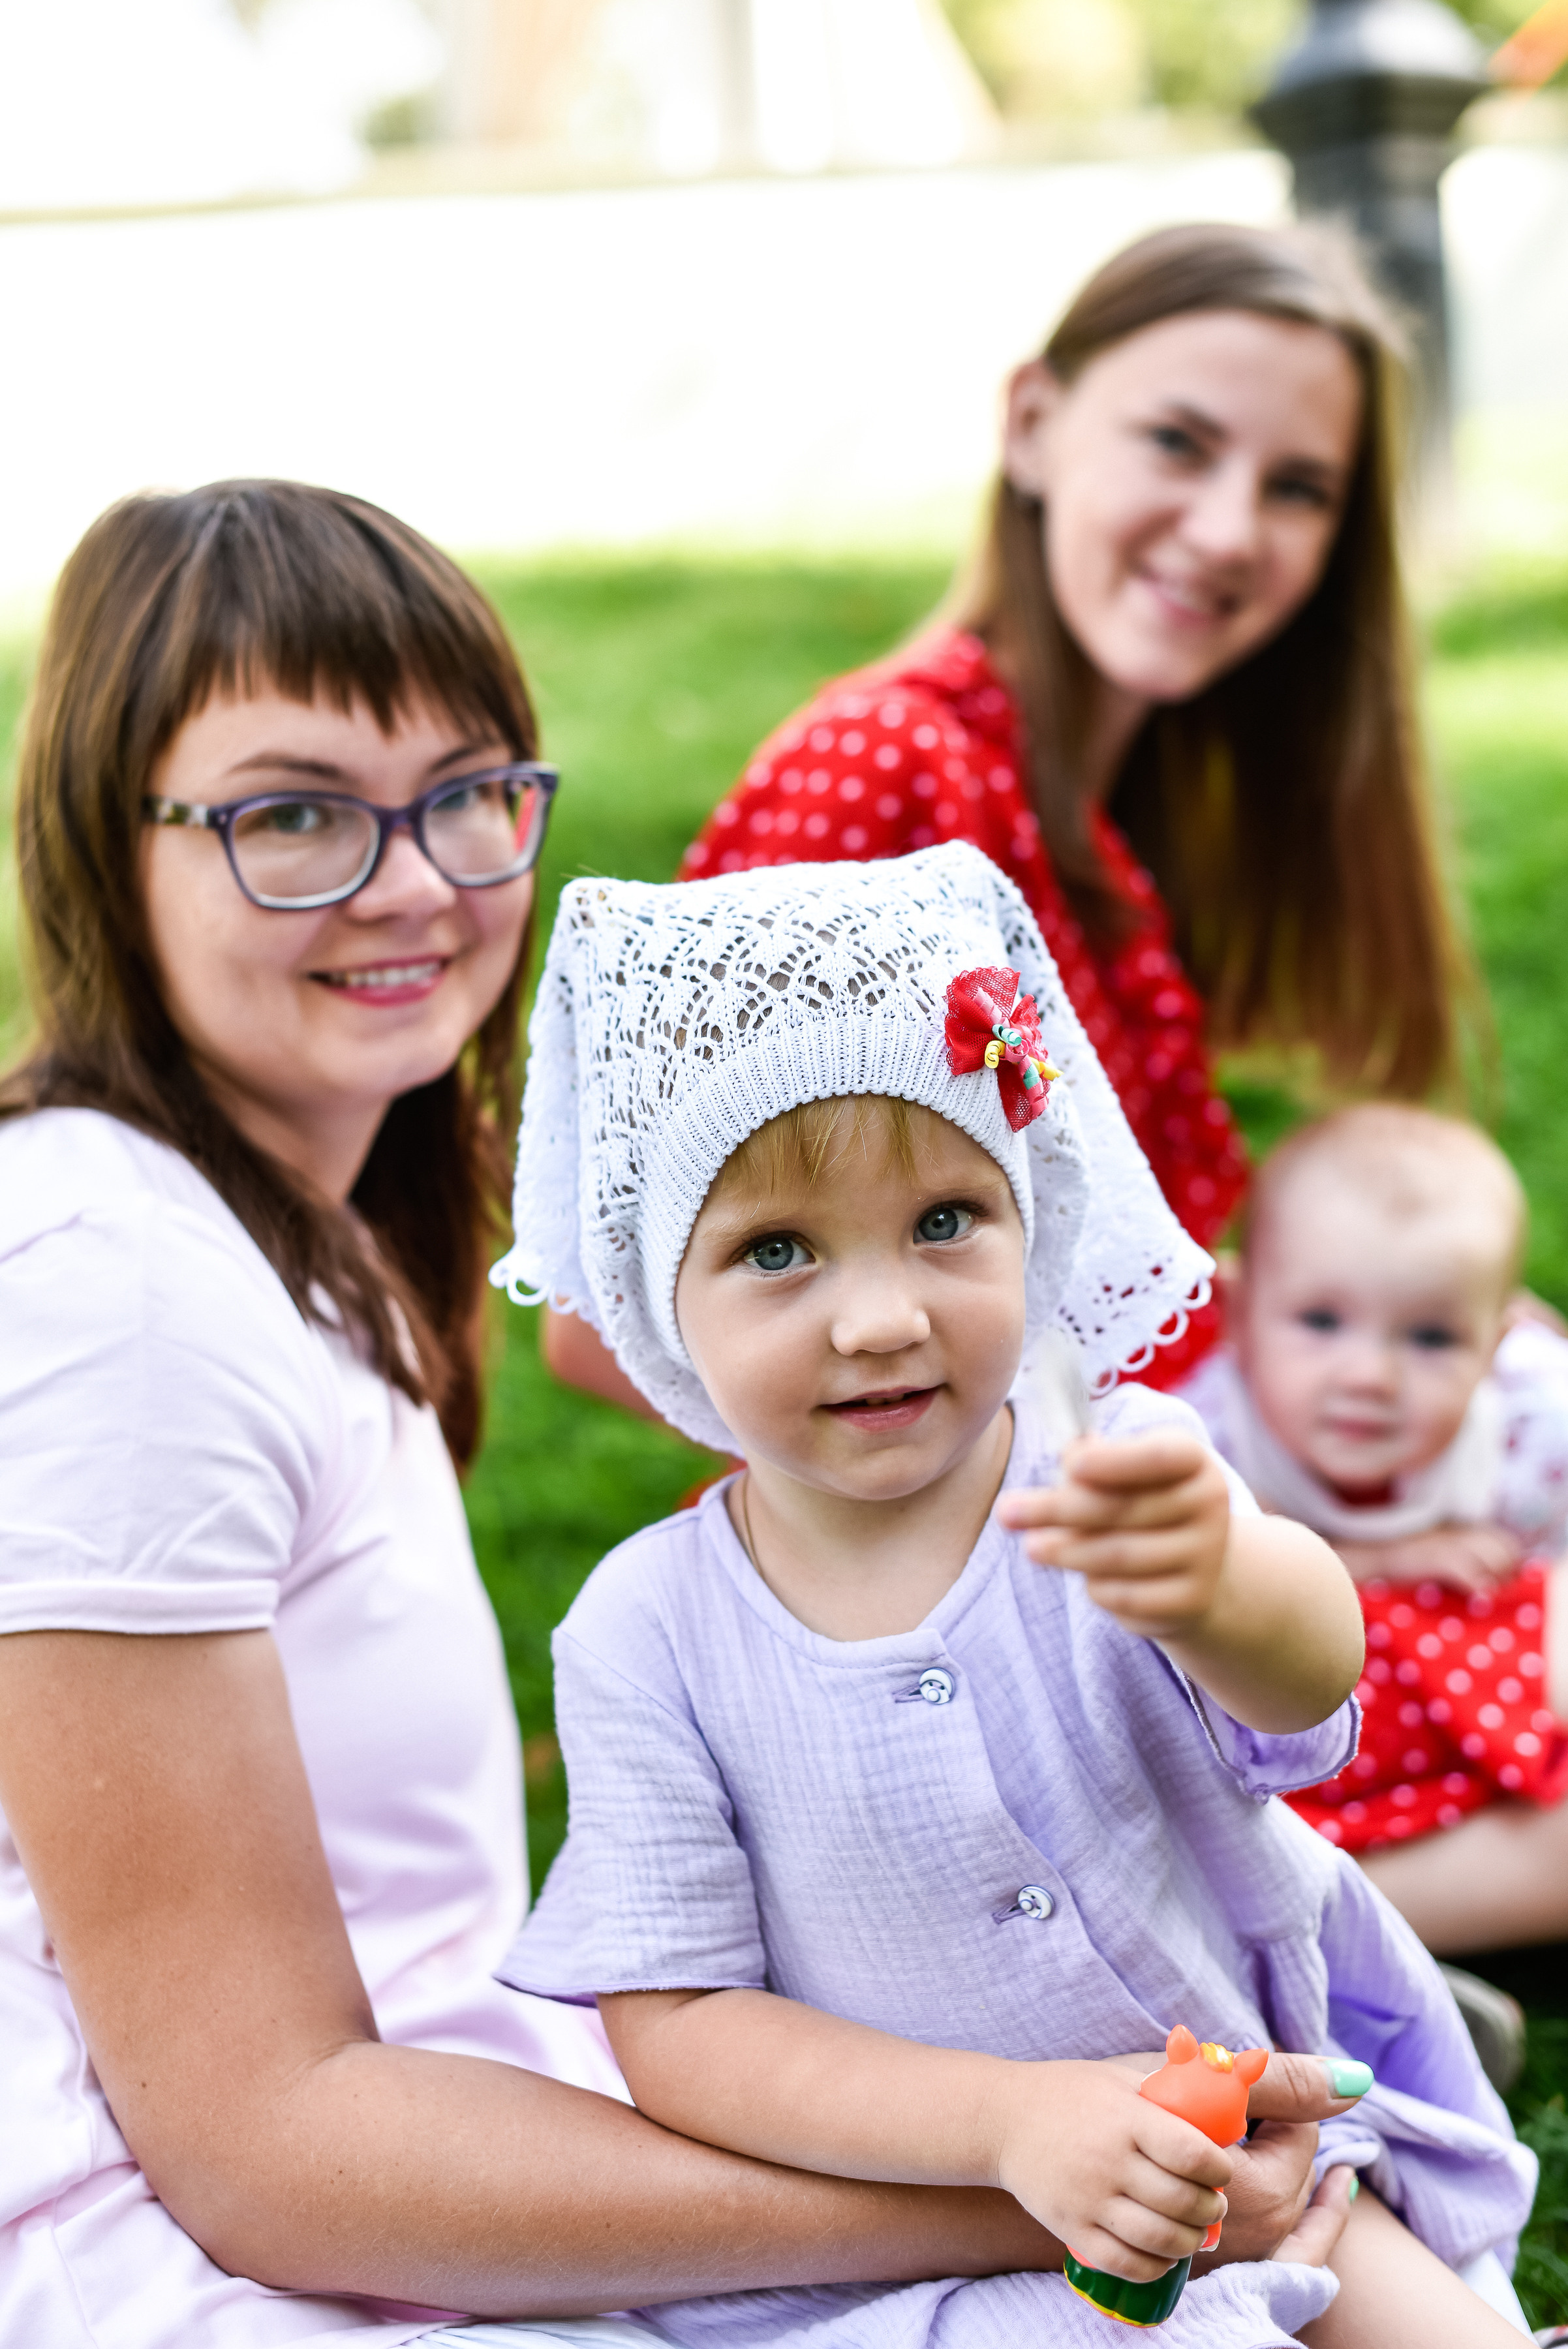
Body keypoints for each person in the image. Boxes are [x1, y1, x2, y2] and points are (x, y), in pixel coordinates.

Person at [1, 478, 1250, 2349]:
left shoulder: (298, 1225)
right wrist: (1024, 2188)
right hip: (190, 2271)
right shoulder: (112, 1294)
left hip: (439, 2130)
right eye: (291, 817)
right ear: (115, 849)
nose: (414, 880)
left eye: (468, 794)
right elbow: (255, 2150)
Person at [493, 840, 1535, 2346]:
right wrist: (1002, 2127)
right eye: (775, 1252)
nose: (880, 1317)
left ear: (1028, 1212)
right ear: (661, 1294)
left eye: (942, 1221)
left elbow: (1309, 1696)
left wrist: (1225, 1581)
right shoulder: (648, 1632)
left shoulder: (1113, 1478)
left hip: (1248, 2149)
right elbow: (684, 2027)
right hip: (912, 2233)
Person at [587, 219, 1464, 1426]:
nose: (1226, 530)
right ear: (1034, 425)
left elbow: (1079, 1278)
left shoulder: (1128, 804)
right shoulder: (885, 771)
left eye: (1298, 488)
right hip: (960, 1555)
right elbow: (609, 1319)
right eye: (1176, 442)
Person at [1184, 1106, 1568, 1967]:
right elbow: (1207, 1583)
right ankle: (1327, 1943)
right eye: (1321, 1321)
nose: (1369, 1375)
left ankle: (1378, 1943)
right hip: (1309, 1736)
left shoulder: (1529, 1422)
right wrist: (1379, 1562)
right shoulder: (1205, 1433)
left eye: (1433, 1337)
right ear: (1238, 1313)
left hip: (1487, 1727)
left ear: (1495, 1346)